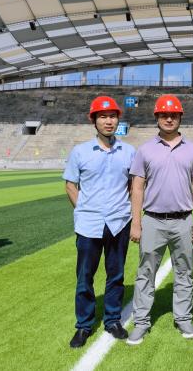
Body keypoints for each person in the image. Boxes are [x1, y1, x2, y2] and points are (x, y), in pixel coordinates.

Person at [127, 94, 193, 345]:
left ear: (180, 117)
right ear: (157, 118)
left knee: (185, 271)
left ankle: (183, 317)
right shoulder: (145, 150)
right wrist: (136, 222)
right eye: (164, 115)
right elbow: (137, 187)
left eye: (173, 115)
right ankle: (141, 321)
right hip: (152, 220)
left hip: (183, 220)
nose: (168, 118)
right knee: (145, 273)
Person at [63, 96, 135, 348]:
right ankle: (83, 325)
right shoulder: (80, 151)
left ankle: (113, 320)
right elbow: (70, 184)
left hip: (119, 222)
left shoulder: (129, 151)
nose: (108, 121)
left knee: (116, 275)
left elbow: (131, 185)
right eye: (103, 116)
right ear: (93, 120)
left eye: (112, 116)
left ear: (118, 120)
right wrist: (83, 209)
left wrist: (126, 211)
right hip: (89, 224)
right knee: (85, 277)